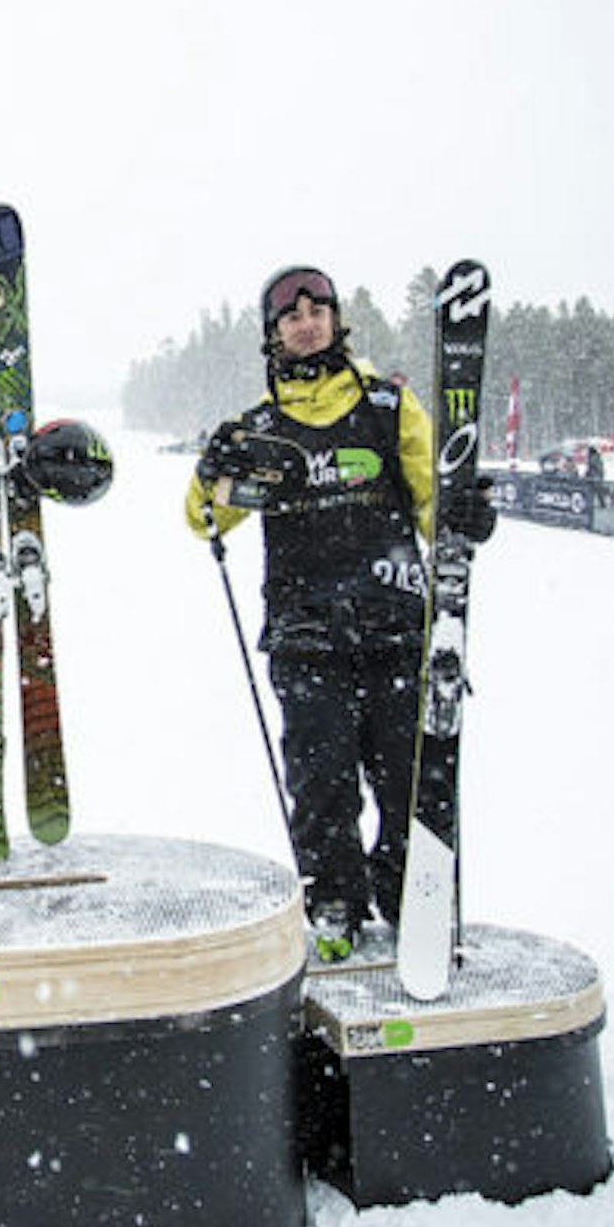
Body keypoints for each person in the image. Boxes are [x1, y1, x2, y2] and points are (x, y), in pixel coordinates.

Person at [184, 264, 496, 961]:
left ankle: (413, 897)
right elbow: (204, 516)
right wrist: (213, 471)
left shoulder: (387, 406)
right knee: (321, 779)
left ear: (335, 319)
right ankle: (333, 900)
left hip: (394, 624)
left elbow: (432, 503)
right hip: (305, 634)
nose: (306, 323)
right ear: (273, 333)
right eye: (290, 315)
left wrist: (463, 516)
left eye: (317, 309)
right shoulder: (262, 429)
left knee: (407, 776)